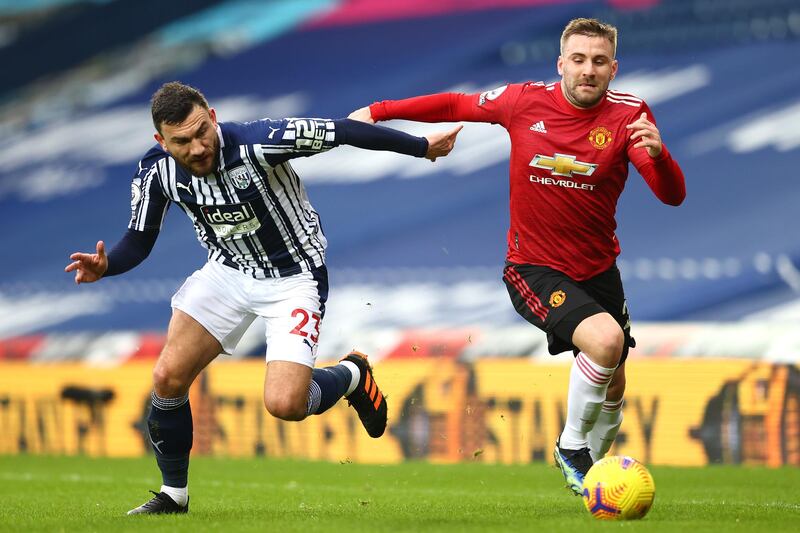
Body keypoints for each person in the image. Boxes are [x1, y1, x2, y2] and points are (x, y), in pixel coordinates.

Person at [65, 81, 462, 514]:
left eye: (202, 132)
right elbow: (139, 240)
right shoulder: (157, 170)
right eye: (182, 141)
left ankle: (351, 374)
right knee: (167, 378)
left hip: (293, 278)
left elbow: (343, 131)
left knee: (286, 404)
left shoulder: (260, 141)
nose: (197, 147)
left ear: (213, 117)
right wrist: (108, 266)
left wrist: (421, 146)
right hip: (228, 272)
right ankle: (173, 496)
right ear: (162, 141)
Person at [349, 17, 685, 495]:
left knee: (613, 385)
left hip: (599, 269)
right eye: (578, 60)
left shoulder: (630, 116)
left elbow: (671, 196)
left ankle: (601, 482)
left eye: (599, 61)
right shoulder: (525, 101)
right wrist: (379, 111)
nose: (587, 70)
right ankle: (571, 447)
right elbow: (454, 103)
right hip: (534, 267)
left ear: (613, 68)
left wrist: (662, 156)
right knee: (606, 342)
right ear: (561, 64)